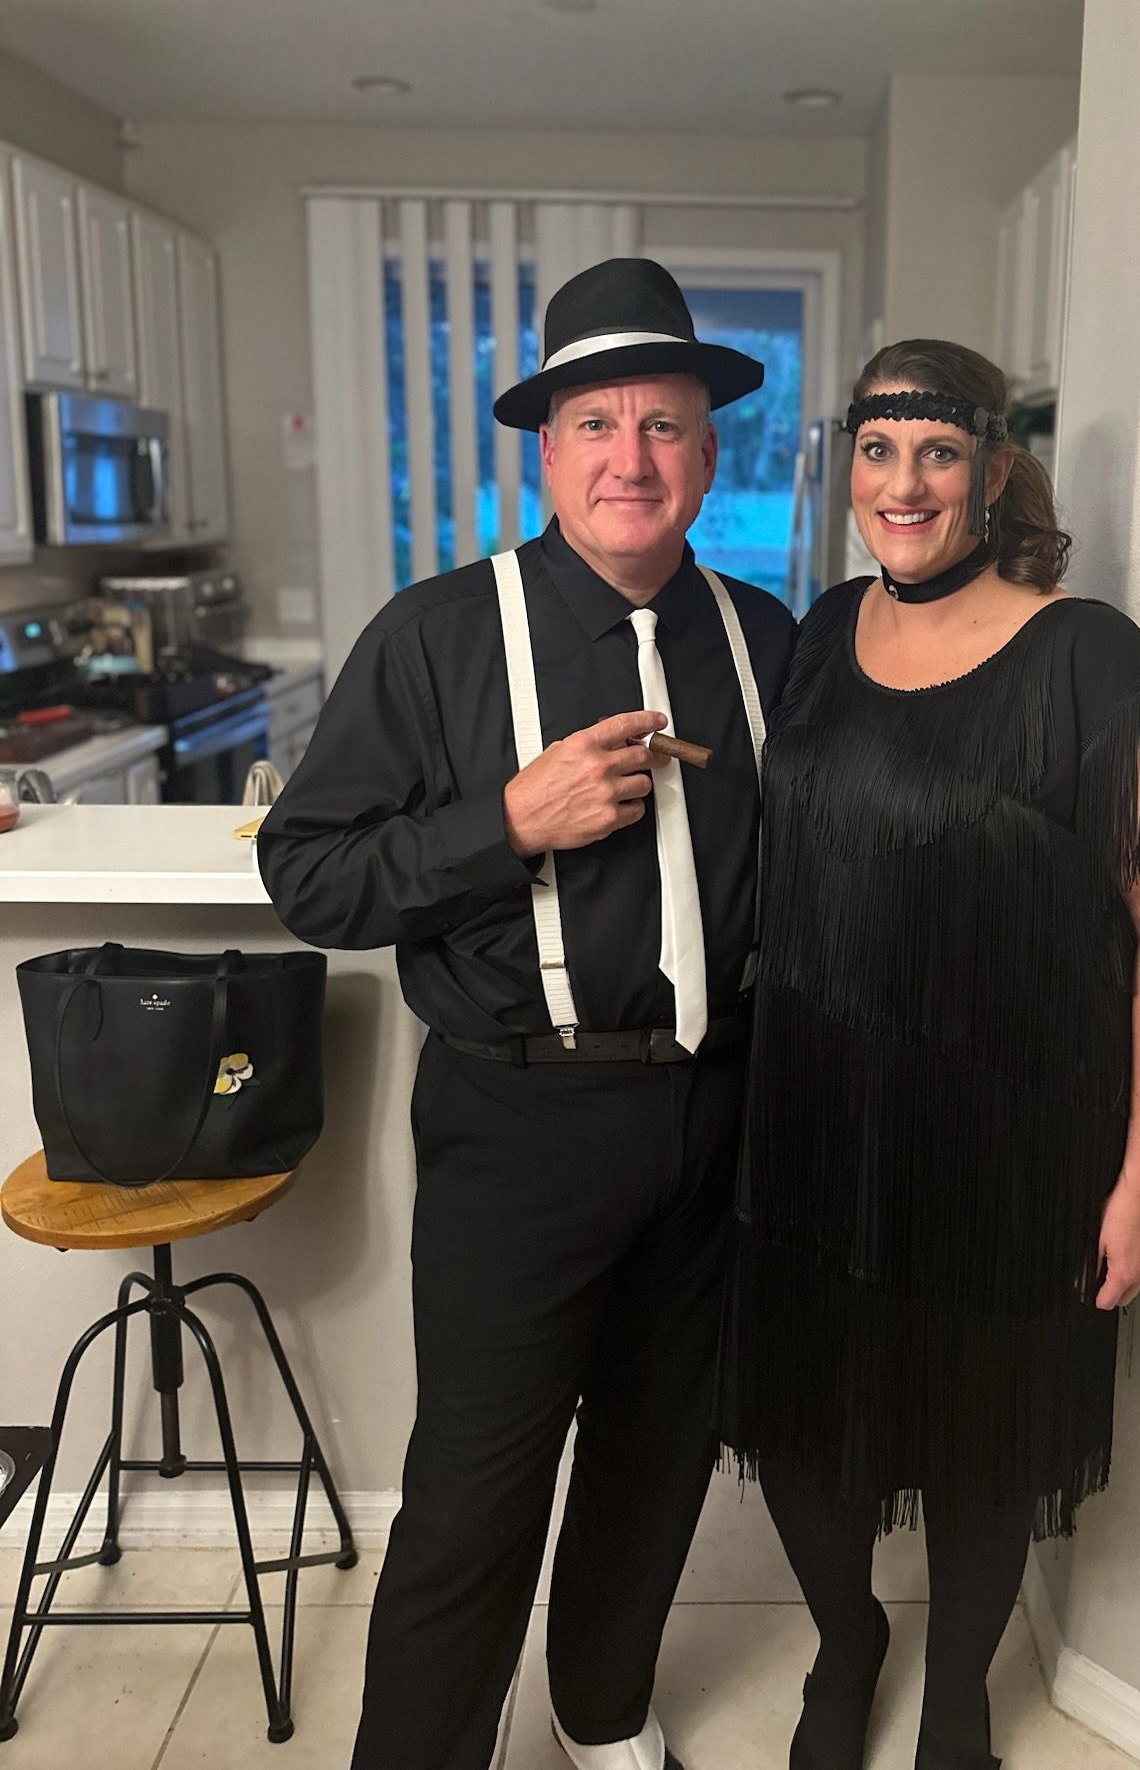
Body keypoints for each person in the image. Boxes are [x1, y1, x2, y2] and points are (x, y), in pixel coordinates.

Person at [259, 258, 796, 1770]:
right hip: (518, 1121)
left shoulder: (765, 639)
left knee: (658, 1450)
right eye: (598, 425)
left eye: (667, 425)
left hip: (716, 1105)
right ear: (546, 451)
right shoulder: (434, 637)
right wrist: (503, 820)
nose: (633, 459)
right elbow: (309, 874)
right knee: (478, 1494)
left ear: (712, 449)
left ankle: (601, 1707)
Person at [718, 339, 1140, 1770]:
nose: (905, 483)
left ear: (994, 471)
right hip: (818, 1116)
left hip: (1016, 1137)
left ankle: (953, 1705)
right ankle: (848, 1644)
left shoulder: (1093, 658)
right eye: (878, 452)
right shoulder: (817, 632)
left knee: (986, 1440)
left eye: (938, 452)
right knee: (810, 1423)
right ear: (850, 473)